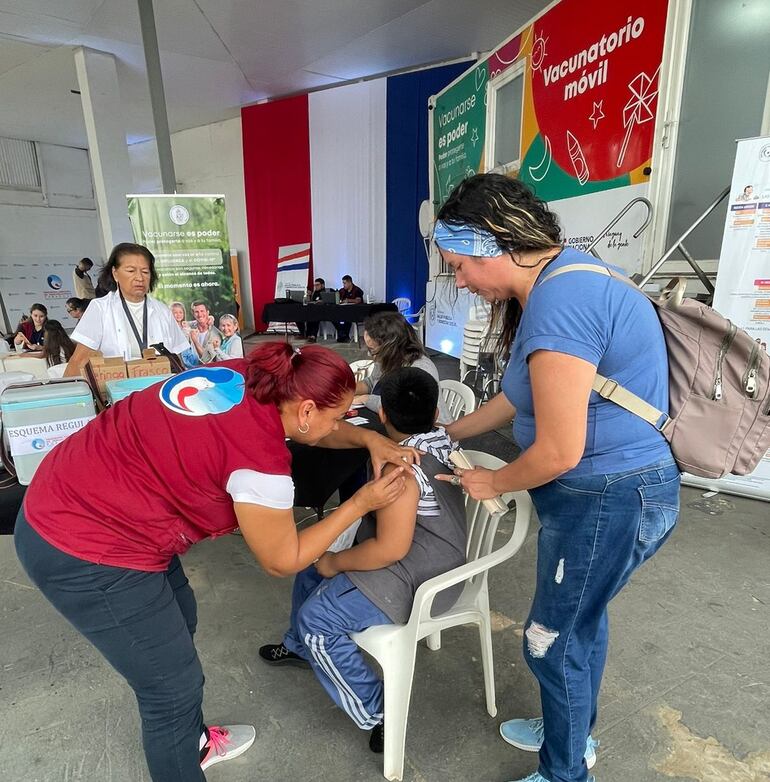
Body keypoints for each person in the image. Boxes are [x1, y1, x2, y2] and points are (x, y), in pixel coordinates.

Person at [15, 342, 419, 782]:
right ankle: (180, 752)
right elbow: (282, 559)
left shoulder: (255, 375)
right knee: (170, 691)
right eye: (338, 417)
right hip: (82, 545)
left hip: (85, 492)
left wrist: (368, 438)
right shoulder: (259, 462)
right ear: (306, 410)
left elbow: (314, 428)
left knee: (180, 616)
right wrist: (360, 503)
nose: (340, 424)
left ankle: (193, 741)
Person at [433, 174, 680, 782]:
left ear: (495, 243)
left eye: (460, 266)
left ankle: (565, 771)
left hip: (609, 495)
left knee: (550, 638)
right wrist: (449, 433)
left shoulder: (562, 301)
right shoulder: (558, 281)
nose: (460, 282)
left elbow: (559, 451)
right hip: (607, 494)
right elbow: (520, 399)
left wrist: (493, 483)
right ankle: (571, 732)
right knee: (580, 623)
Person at [258, 366, 466, 752]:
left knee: (317, 621)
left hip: (422, 581)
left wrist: (336, 563)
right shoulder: (440, 439)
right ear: (436, 414)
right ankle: (299, 646)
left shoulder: (399, 471)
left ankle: (380, 711)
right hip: (433, 558)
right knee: (311, 562)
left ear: (381, 413)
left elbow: (390, 550)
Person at [64, 243, 190, 377]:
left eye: (145, 272)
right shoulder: (100, 308)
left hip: (160, 386)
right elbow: (79, 361)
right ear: (115, 273)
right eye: (131, 271)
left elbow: (178, 358)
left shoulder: (162, 310)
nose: (140, 278)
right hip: (118, 387)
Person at [353, 310, 451, 423]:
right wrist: (347, 390)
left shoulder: (420, 369)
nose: (370, 355)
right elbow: (372, 383)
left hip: (428, 427)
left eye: (373, 350)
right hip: (393, 422)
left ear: (391, 348)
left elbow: (405, 408)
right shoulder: (386, 358)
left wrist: (366, 399)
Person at [336, 274, 364, 343]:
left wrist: (348, 300)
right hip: (342, 310)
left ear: (350, 282)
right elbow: (337, 298)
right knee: (333, 317)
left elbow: (358, 300)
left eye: (344, 283)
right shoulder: (342, 291)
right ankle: (343, 334)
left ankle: (343, 335)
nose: (343, 285)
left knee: (347, 317)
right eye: (343, 283)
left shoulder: (357, 290)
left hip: (355, 311)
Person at [297, 277, 326, 341]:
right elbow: (309, 301)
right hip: (312, 310)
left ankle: (313, 335)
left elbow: (326, 301)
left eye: (317, 285)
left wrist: (321, 301)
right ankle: (303, 333)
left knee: (314, 317)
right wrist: (308, 295)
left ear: (323, 285)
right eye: (315, 285)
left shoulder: (325, 292)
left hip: (321, 311)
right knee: (298, 316)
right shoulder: (314, 292)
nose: (316, 287)